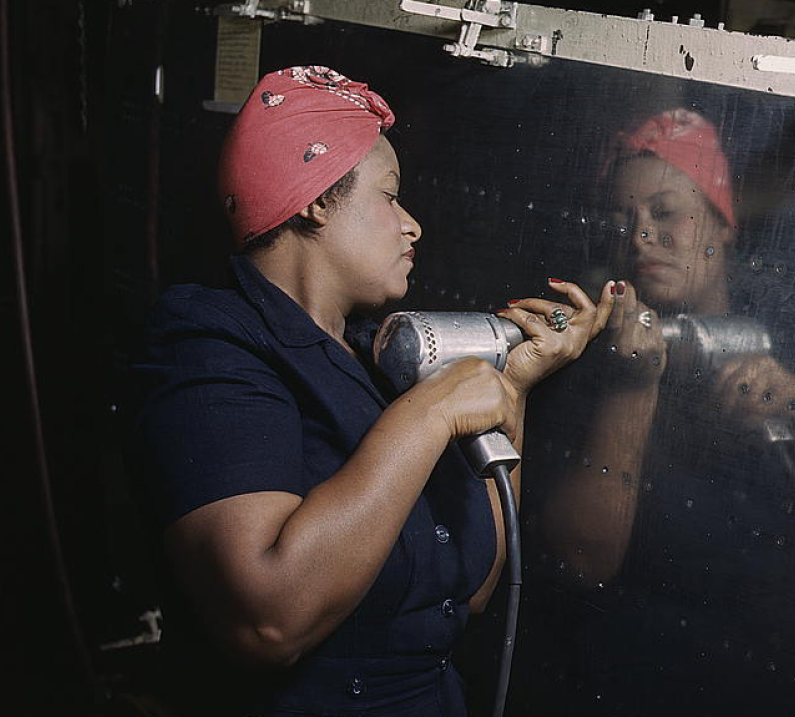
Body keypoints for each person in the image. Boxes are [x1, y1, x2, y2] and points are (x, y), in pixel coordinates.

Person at [132, 66, 616, 717]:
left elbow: (471, 589)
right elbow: (266, 621)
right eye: (389, 196)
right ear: (315, 200)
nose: (412, 225)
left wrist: (513, 386)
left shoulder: (373, 357)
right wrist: (431, 413)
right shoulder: (210, 344)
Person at [522, 108, 795, 715]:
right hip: (640, 677)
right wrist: (631, 388)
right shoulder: (584, 356)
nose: (640, 236)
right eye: (621, 218)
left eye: (665, 212)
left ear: (722, 223)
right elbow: (581, 560)